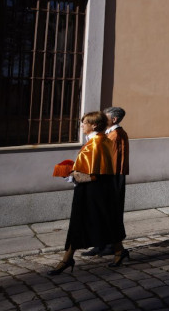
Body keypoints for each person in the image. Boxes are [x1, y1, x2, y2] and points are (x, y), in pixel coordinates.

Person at [49, 112, 128, 275]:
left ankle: (68, 258)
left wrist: (69, 174)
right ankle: (118, 252)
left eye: (84, 122)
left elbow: (93, 174)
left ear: (94, 125)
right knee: (104, 220)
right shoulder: (100, 140)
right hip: (98, 189)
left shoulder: (96, 143)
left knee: (85, 221)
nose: (82, 125)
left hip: (92, 190)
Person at [82, 107, 129, 257]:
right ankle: (100, 244)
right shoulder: (109, 134)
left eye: (105, 117)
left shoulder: (115, 135)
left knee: (110, 211)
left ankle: (110, 245)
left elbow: (109, 160)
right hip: (109, 176)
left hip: (112, 177)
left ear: (114, 120)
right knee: (102, 211)